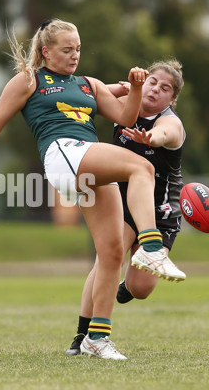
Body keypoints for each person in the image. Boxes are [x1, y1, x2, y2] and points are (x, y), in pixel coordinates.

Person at [0, 19, 185, 360]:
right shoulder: (29, 81)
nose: (75, 55)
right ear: (45, 51)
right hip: (63, 154)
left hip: (87, 163)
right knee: (142, 167)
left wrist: (136, 87)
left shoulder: (88, 84)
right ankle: (152, 247)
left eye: (78, 48)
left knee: (111, 253)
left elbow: (125, 117)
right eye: (67, 49)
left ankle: (96, 338)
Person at [64, 59, 187, 356]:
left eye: (165, 88)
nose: (156, 90)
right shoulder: (126, 97)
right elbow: (86, 95)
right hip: (121, 199)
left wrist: (150, 138)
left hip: (159, 210)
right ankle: (82, 337)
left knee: (141, 289)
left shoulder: (169, 122)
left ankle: (123, 288)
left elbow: (165, 134)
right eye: (153, 82)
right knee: (108, 258)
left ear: (172, 99)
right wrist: (124, 85)